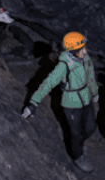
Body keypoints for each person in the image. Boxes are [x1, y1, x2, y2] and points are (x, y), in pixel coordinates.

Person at [23, 32, 100, 172]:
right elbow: (48, 83)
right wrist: (33, 103)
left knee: (90, 128)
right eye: (81, 48)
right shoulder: (63, 66)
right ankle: (78, 157)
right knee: (76, 134)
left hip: (85, 98)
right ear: (73, 51)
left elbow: (90, 76)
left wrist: (94, 92)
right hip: (71, 104)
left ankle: (77, 144)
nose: (85, 50)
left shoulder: (85, 58)